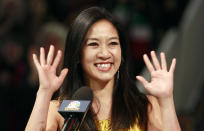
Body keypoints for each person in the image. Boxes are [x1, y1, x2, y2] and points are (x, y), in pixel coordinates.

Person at [25, 6, 181, 131]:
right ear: (78, 53)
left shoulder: (145, 107)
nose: (105, 53)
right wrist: (44, 91)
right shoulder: (61, 110)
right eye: (94, 44)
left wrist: (166, 100)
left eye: (113, 43)